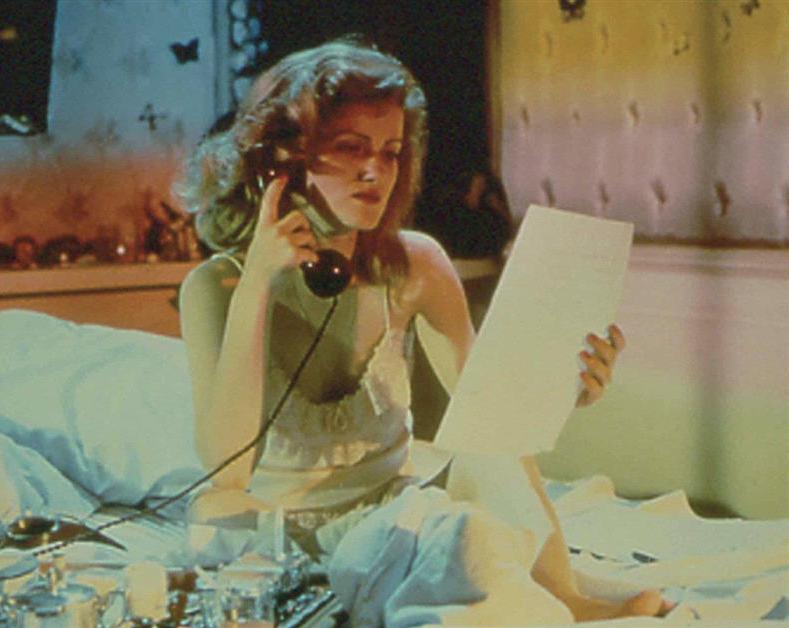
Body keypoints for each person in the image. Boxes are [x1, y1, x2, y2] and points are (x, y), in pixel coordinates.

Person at [178, 37, 669, 621]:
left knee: (490, 461)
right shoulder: (216, 287)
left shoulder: (416, 266)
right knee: (212, 508)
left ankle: (565, 599)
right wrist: (258, 283)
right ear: (281, 164)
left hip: (395, 518)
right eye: (350, 148)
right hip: (280, 538)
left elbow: (494, 415)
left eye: (390, 152)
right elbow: (227, 467)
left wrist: (568, 390)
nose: (375, 172)